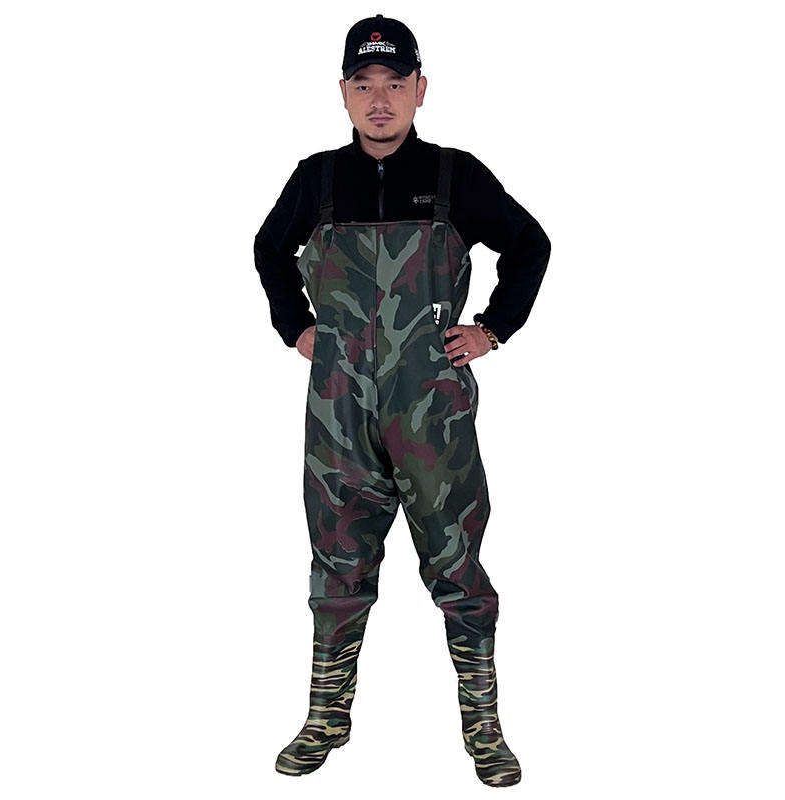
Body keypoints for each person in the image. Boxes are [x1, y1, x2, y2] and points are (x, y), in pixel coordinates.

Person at [254, 13, 551, 788]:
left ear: (421, 89)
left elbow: (530, 244)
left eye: (394, 84)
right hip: (338, 413)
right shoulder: (317, 179)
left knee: (458, 567)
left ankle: (483, 725)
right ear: (343, 93)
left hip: (433, 413)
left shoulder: (455, 177)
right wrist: (295, 326)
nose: (379, 100)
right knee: (336, 567)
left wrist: (492, 329)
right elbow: (268, 248)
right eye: (364, 85)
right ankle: (326, 716)